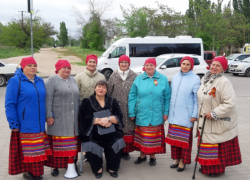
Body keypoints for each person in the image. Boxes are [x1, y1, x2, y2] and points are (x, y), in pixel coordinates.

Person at [5, 57, 51, 180]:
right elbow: (10, 104)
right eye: (29, 65)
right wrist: (13, 123)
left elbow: (44, 100)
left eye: (34, 65)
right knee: (28, 150)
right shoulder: (15, 81)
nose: (32, 68)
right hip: (24, 124)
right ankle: (28, 173)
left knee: (37, 150)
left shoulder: (40, 81)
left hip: (40, 124)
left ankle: (36, 173)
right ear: (23, 67)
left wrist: (48, 116)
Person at [196, 56, 242, 177]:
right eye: (213, 65)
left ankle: (216, 170)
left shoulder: (224, 82)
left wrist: (214, 113)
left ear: (223, 69)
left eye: (218, 66)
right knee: (205, 144)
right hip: (204, 118)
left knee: (215, 145)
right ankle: (206, 168)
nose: (214, 67)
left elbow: (229, 103)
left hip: (216, 119)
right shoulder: (205, 79)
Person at [128, 58, 171, 166]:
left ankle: (153, 156)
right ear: (144, 66)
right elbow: (132, 96)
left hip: (157, 113)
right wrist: (131, 112)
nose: (149, 67)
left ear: (155, 66)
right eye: (147, 65)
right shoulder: (139, 79)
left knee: (154, 137)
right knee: (142, 136)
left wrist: (166, 112)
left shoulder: (163, 79)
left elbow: (167, 97)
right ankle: (142, 156)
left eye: (151, 65)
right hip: (142, 112)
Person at [79, 80, 125, 179]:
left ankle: (112, 167)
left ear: (107, 90)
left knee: (118, 141)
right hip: (93, 132)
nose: (101, 89)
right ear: (95, 88)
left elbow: (119, 116)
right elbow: (82, 117)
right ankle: (97, 168)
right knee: (90, 143)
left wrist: (109, 119)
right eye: (99, 86)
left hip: (111, 131)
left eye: (104, 87)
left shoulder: (112, 101)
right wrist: (98, 121)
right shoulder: (87, 101)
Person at [44, 60, 80, 178]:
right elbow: (48, 99)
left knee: (71, 144)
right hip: (58, 119)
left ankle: (70, 165)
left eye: (69, 68)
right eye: (64, 68)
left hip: (73, 119)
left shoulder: (73, 80)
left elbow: (77, 99)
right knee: (57, 144)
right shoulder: (51, 80)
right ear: (58, 69)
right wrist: (48, 115)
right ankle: (55, 167)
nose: (67, 70)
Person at [165, 56, 200, 172]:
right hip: (174, 115)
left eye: (187, 64)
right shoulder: (175, 77)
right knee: (174, 140)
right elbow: (171, 96)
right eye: (183, 64)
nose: (185, 66)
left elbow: (196, 99)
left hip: (186, 116)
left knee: (184, 142)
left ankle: (183, 161)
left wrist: (194, 114)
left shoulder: (195, 79)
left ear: (191, 66)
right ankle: (176, 158)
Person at [75, 54, 105, 161]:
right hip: (85, 109)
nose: (92, 64)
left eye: (94, 62)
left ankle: (98, 151)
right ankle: (85, 152)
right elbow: (76, 93)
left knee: (97, 131)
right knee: (86, 131)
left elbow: (105, 92)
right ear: (86, 63)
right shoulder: (79, 77)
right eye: (90, 62)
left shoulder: (101, 76)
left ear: (96, 63)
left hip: (98, 108)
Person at [108, 55, 137, 160]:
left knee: (128, 130)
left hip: (129, 108)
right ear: (119, 63)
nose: (124, 64)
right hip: (116, 108)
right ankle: (118, 151)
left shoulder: (134, 76)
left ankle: (126, 151)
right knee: (117, 129)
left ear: (129, 64)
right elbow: (109, 93)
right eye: (122, 62)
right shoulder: (113, 76)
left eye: (126, 62)